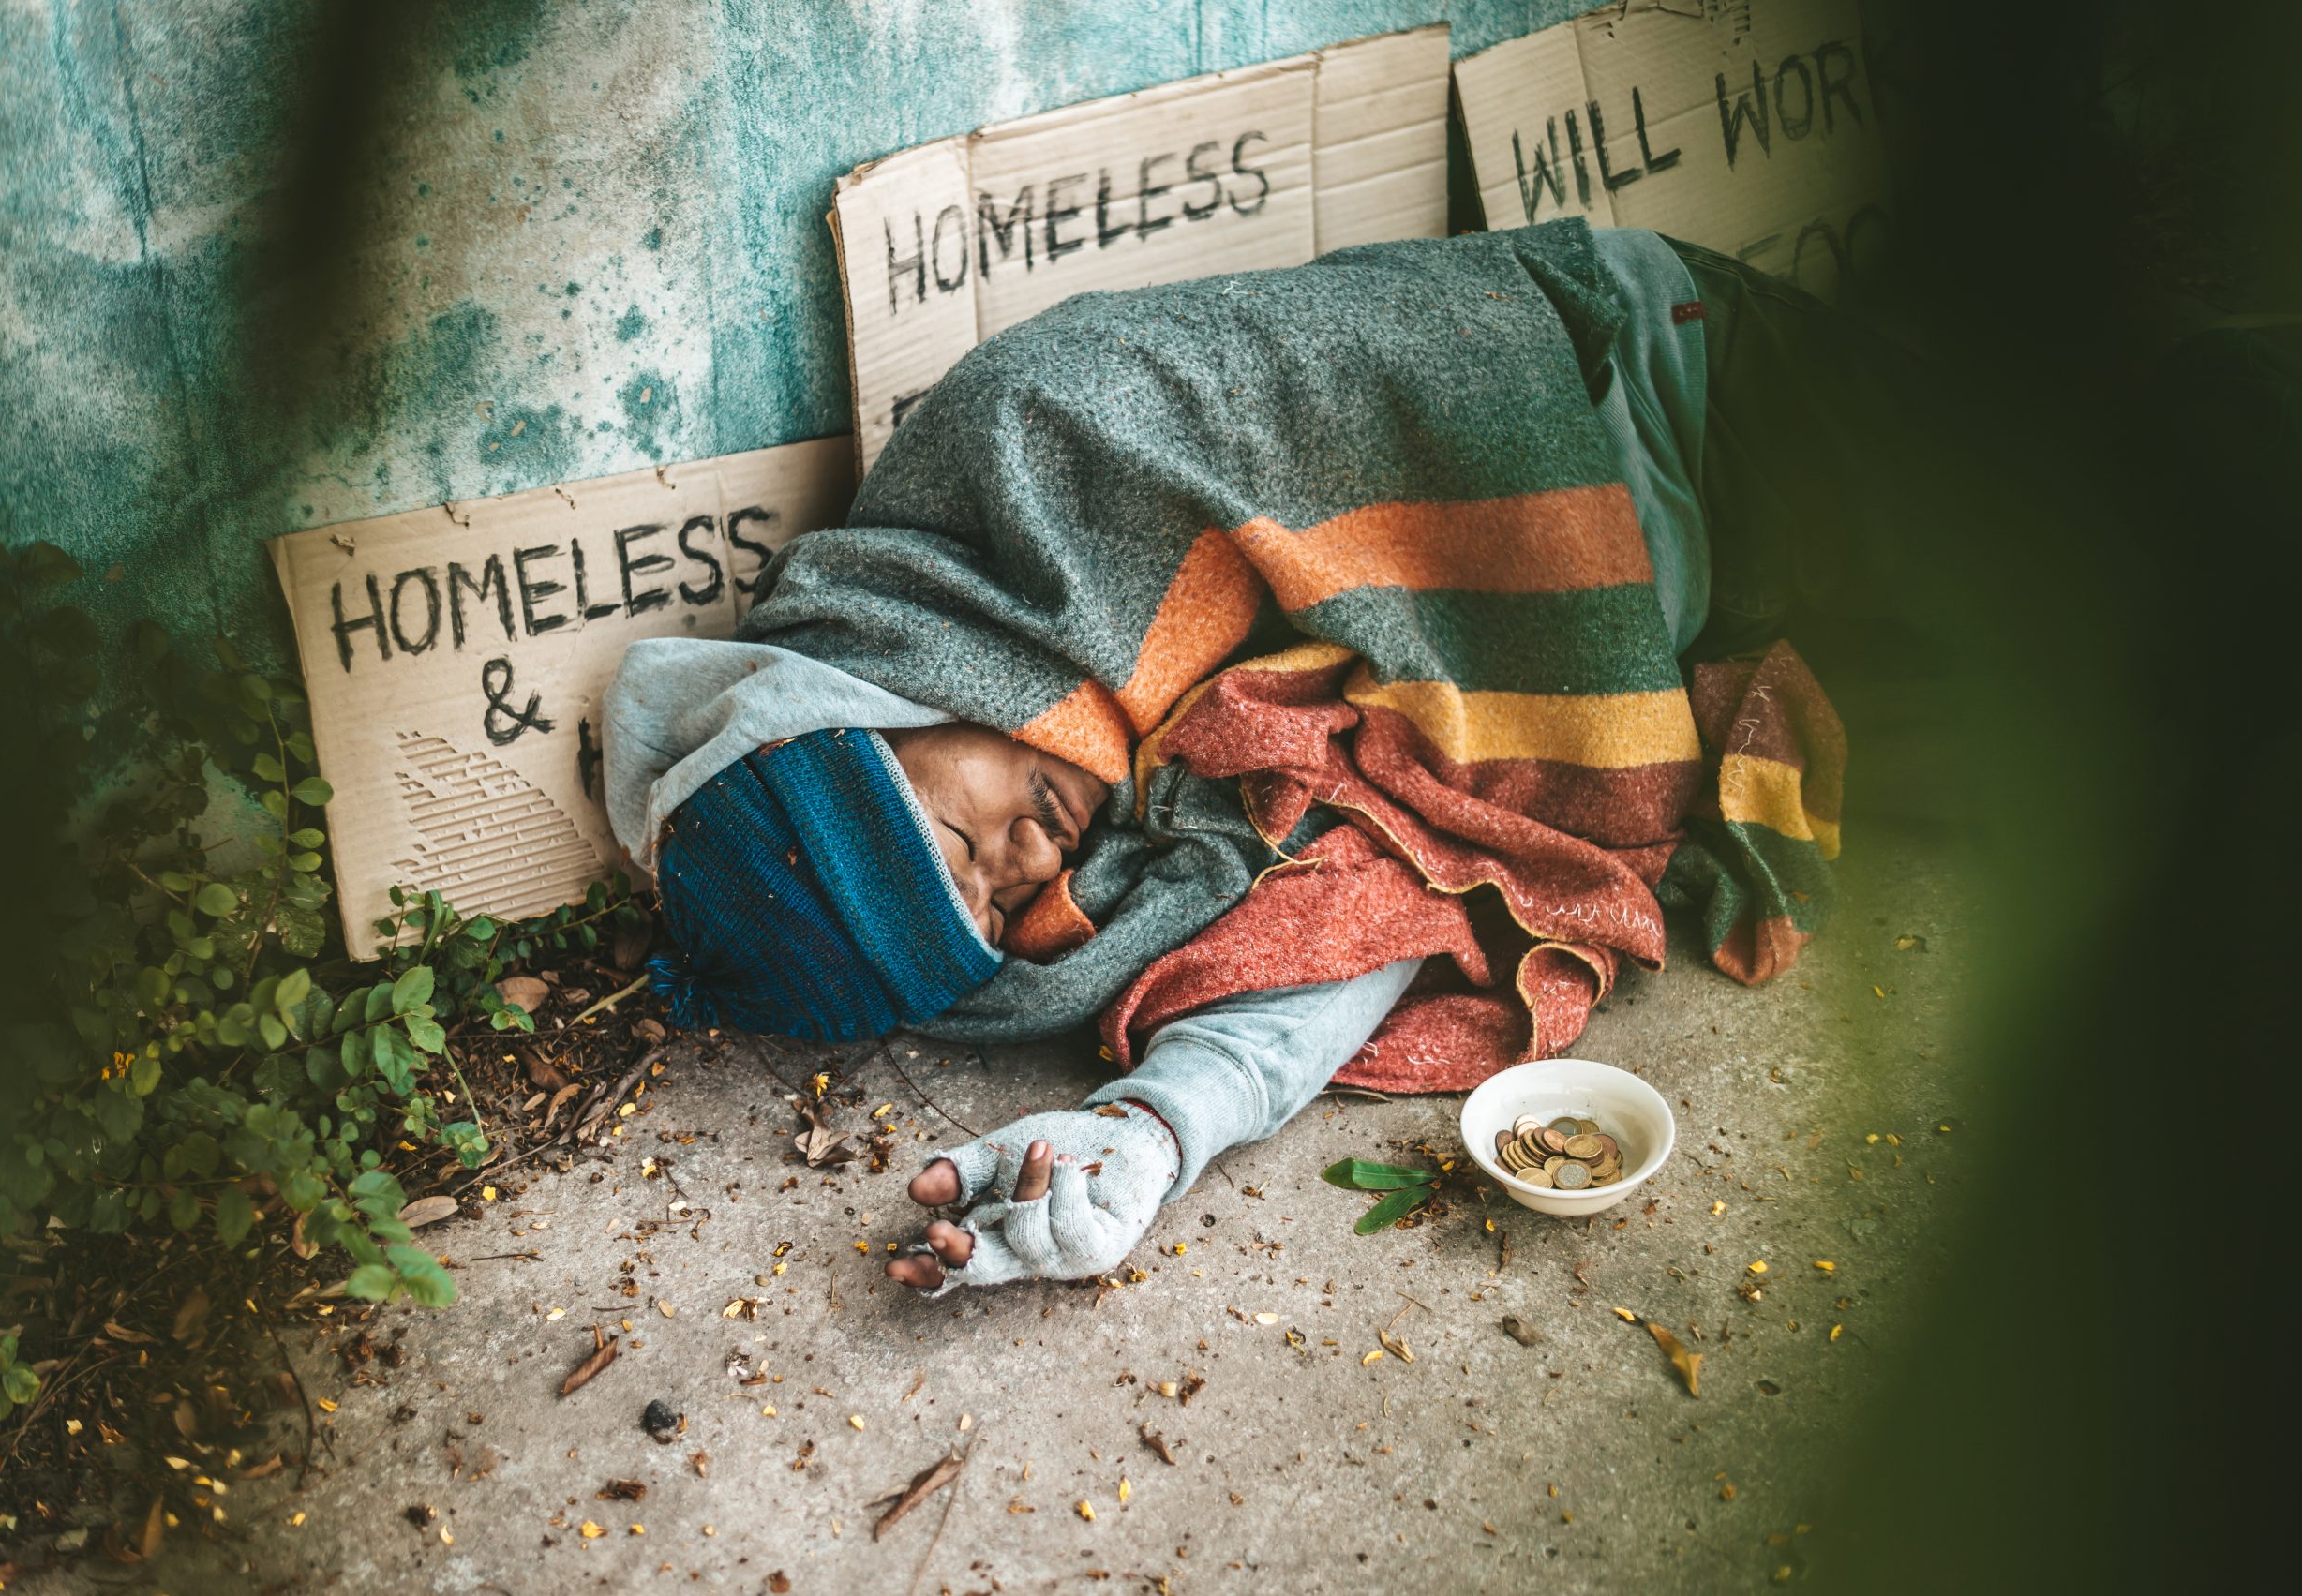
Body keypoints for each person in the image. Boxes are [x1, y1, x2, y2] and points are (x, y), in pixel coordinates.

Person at [603, 220, 1921, 1295]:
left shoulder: (1036, 436)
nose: (1032, 862)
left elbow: (1415, 376)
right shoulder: (1128, 777)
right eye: (1001, 909)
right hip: (1689, 644)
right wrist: (1151, 1130)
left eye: (962, 842)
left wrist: (1533, 625)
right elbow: (1381, 883)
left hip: (1666, 403)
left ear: (855, 701)